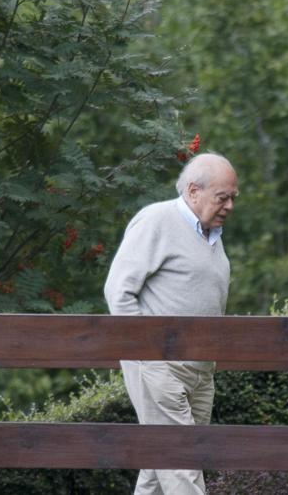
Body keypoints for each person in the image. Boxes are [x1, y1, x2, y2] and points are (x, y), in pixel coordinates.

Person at [104, 153, 238, 495]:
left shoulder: (212, 234)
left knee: (160, 466)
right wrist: (149, 357)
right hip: (159, 365)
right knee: (181, 463)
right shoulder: (157, 220)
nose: (230, 206)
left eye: (233, 198)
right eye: (222, 197)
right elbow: (118, 291)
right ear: (193, 191)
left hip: (200, 370)